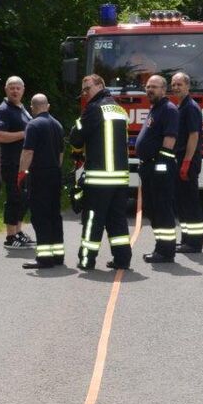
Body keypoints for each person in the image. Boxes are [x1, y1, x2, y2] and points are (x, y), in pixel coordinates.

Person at [69, 74, 132, 270]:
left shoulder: (93, 109)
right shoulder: (120, 110)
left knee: (92, 221)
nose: (85, 93)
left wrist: (77, 148)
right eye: (83, 90)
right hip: (120, 179)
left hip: (99, 179)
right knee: (118, 221)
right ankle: (122, 260)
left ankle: (87, 260)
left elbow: (76, 137)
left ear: (100, 85)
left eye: (88, 88)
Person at [17, 94, 65, 270]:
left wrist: (22, 173)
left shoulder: (33, 125)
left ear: (32, 107)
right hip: (55, 174)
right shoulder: (58, 125)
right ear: (48, 106)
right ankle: (58, 255)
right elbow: (61, 154)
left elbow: (28, 152)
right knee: (54, 215)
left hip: (40, 176)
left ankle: (44, 258)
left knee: (40, 216)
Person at [135, 75, 179, 263]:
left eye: (154, 87)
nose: (150, 90)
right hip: (150, 166)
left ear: (164, 89)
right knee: (152, 210)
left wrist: (158, 167)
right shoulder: (156, 109)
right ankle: (160, 247)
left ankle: (166, 251)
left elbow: (169, 142)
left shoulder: (168, 110)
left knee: (162, 209)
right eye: (147, 86)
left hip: (159, 168)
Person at [0, 76, 35, 249]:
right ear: (6, 89)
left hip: (25, 163)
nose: (15, 91)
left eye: (18, 88)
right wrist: (25, 134)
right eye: (12, 88)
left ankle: (18, 232)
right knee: (14, 197)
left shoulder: (22, 109)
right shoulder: (3, 110)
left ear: (23, 90)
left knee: (24, 198)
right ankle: (10, 237)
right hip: (11, 163)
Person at [171, 72, 203, 253]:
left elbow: (193, 136)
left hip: (188, 160)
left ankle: (194, 243)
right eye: (174, 84)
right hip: (182, 159)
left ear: (188, 86)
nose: (176, 87)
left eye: (179, 84)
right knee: (182, 203)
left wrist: (186, 162)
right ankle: (186, 240)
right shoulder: (181, 106)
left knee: (190, 203)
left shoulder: (190, 108)